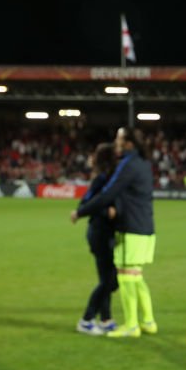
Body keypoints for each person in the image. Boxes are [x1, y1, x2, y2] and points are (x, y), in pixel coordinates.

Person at [71, 127, 157, 338]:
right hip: (140, 228)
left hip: (130, 228)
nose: (117, 144)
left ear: (128, 144)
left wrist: (80, 212)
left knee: (124, 278)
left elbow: (108, 194)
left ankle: (129, 325)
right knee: (129, 277)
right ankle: (144, 321)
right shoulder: (143, 164)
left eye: (119, 140)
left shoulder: (126, 167)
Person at [75, 142, 119, 336]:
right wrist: (105, 210)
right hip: (98, 232)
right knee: (110, 280)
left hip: (106, 233)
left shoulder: (111, 178)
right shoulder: (101, 179)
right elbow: (85, 203)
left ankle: (106, 318)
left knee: (107, 278)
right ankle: (86, 319)